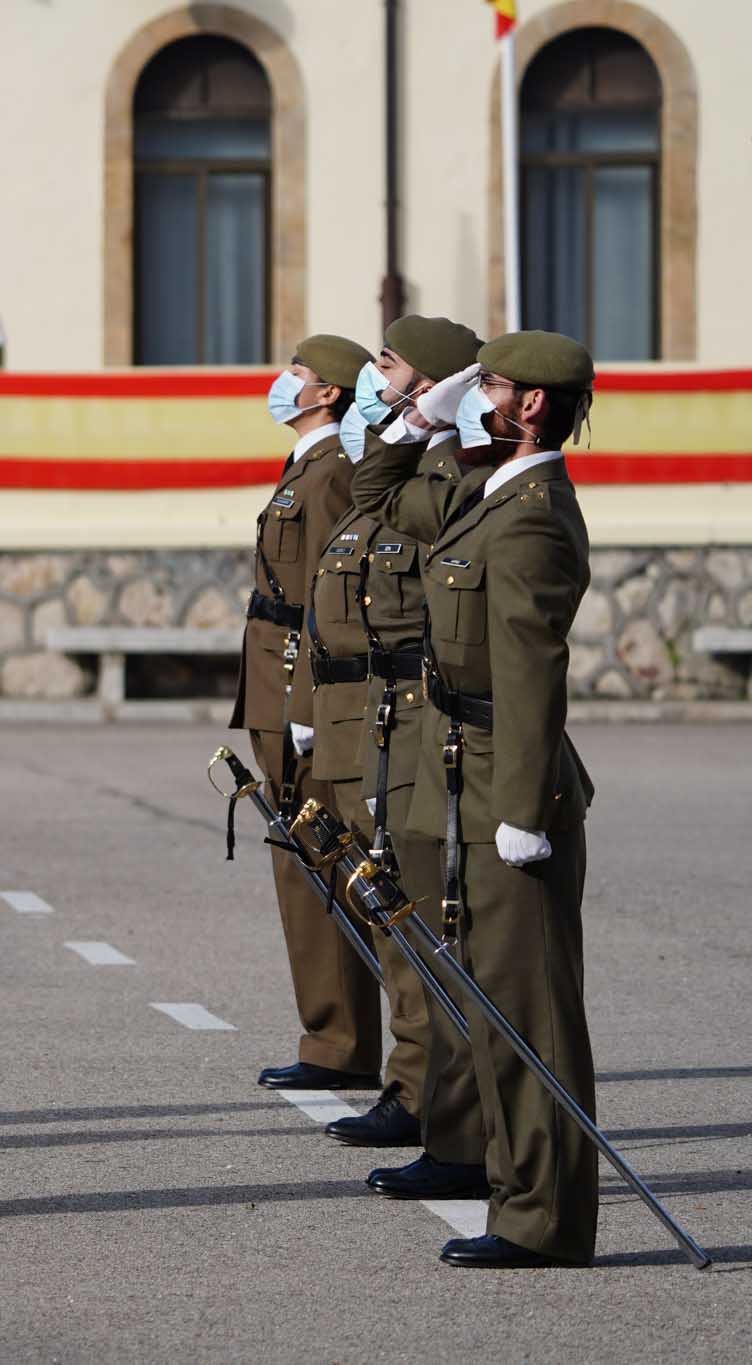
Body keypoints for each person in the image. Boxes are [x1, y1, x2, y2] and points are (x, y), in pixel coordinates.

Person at [351, 332, 598, 1270]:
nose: (473, 396)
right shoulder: (488, 492)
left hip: (505, 785)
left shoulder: (532, 514)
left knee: (527, 1011)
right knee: (482, 999)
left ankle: (544, 1218)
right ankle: (508, 1184)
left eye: (487, 383)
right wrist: (419, 417)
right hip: (461, 771)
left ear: (530, 404)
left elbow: (532, 677)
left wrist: (527, 812)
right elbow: (374, 492)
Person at [291, 315, 481, 1154]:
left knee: (406, 913)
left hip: (401, 711)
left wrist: (417, 428)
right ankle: (411, 1083)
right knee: (381, 906)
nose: (377, 374)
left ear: (431, 382)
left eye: (391, 364)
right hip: (360, 712)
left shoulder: (447, 474)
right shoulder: (394, 465)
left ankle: (418, 1089)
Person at [230, 334, 381, 1094]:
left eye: (296, 371)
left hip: (300, 683)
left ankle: (342, 1040)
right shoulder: (309, 467)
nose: (281, 381)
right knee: (302, 861)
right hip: (275, 679)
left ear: (327, 393)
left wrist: (310, 703)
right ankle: (331, 1035)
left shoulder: (329, 476)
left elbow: (333, 602)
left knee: (322, 858)